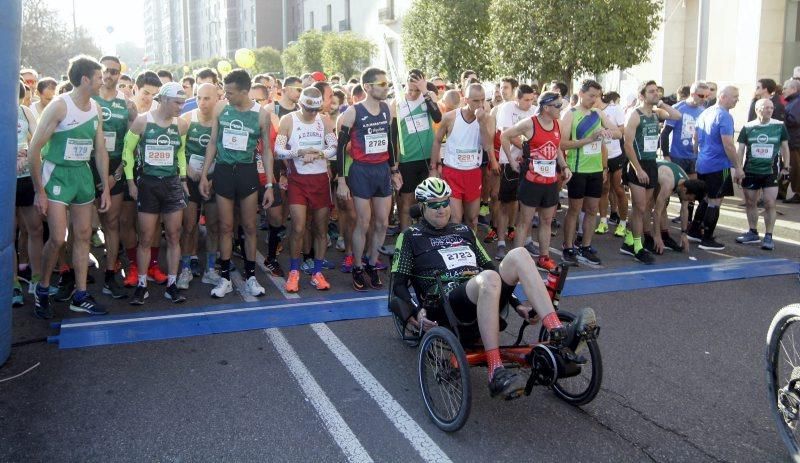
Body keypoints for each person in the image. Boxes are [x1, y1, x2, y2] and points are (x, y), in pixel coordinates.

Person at [390, 177, 597, 399]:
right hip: (445, 302)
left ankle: (557, 331)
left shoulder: (463, 231)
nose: (441, 209)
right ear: (422, 207)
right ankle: (495, 371)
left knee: (518, 255)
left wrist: (517, 304)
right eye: (434, 205)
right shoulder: (410, 236)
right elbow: (399, 285)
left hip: (483, 291)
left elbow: (492, 267)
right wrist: (416, 312)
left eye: (445, 203)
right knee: (487, 277)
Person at [29, 55, 111, 318]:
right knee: (57, 238)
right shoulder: (59, 107)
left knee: (84, 234)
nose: (103, 80)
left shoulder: (96, 108)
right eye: (99, 76)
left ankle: (80, 294)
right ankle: (42, 289)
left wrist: (105, 188)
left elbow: (100, 151)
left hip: (82, 176)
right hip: (57, 175)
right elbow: (34, 150)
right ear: (85, 79)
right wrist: (39, 190)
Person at [199, 68, 275, 298]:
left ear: (244, 91)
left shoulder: (261, 114)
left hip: (247, 172)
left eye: (230, 92)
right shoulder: (222, 108)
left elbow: (267, 151)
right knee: (225, 227)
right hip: (223, 172)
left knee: (250, 226)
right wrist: (204, 174)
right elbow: (213, 142)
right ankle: (224, 279)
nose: (226, 96)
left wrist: (270, 184)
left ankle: (251, 277)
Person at [335, 67, 401, 291]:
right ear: (368, 87)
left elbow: (391, 142)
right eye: (382, 84)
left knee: (382, 222)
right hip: (361, 171)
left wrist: (394, 170)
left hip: (382, 170)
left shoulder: (387, 109)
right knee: (363, 222)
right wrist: (342, 180)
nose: (386, 88)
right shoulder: (353, 112)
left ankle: (372, 265)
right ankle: (357, 266)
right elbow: (340, 148)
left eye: (387, 84)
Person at [123, 82, 189, 304]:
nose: (181, 107)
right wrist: (131, 182)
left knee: (173, 235)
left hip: (171, 184)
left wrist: (182, 179)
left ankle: (172, 284)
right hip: (148, 184)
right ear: (164, 100)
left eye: (183, 103)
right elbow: (127, 151)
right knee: (146, 238)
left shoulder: (181, 125)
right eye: (177, 103)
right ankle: (142, 285)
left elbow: (180, 153)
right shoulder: (143, 121)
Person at [274, 87, 337, 292]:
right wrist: (298, 152)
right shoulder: (288, 120)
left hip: (320, 181)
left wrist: (319, 154)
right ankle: (294, 272)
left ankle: (317, 272)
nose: (312, 114)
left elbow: (333, 147)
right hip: (298, 181)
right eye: (308, 110)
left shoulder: (325, 120)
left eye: (315, 110)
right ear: (300, 104)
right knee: (299, 227)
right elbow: (278, 151)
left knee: (320, 228)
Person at [503, 91, 570, 271]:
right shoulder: (529, 123)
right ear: (546, 107)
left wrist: (564, 167)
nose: (560, 109)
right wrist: (511, 161)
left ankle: (544, 257)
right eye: (558, 106)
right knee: (525, 221)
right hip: (531, 180)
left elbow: (556, 149)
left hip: (550, 181)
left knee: (547, 220)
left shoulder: (557, 124)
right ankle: (516, 261)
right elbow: (505, 135)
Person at [559, 79, 622, 266]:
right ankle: (568, 246)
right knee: (575, 209)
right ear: (581, 93)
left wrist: (606, 132)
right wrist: (589, 139)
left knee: (593, 209)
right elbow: (562, 144)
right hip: (577, 169)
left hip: (595, 170)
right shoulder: (570, 114)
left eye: (597, 96)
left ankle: (585, 246)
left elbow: (618, 132)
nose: (594, 100)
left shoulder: (598, 113)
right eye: (591, 96)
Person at [621, 80, 681, 264]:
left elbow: (677, 115)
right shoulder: (635, 115)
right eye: (651, 92)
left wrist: (661, 103)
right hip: (637, 166)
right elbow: (628, 144)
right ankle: (637, 247)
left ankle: (629, 240)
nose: (656, 94)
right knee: (639, 207)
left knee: (644, 208)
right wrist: (638, 169)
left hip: (651, 164)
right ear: (642, 95)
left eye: (657, 91)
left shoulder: (655, 114)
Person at [92, 55, 138, 299]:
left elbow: (132, 145)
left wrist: (116, 174)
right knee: (77, 228)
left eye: (114, 71)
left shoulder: (127, 105)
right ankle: (70, 277)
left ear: (119, 74)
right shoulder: (88, 99)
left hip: (115, 170)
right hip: (85, 167)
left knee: (112, 223)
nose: (109, 75)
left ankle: (111, 275)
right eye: (105, 70)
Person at [430, 83, 496, 230]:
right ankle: (454, 248)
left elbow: (487, 146)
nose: (480, 104)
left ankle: (471, 247)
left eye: (482, 100)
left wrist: (482, 122)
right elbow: (436, 141)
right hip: (452, 173)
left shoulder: (488, 119)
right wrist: (433, 167)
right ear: (466, 100)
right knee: (455, 218)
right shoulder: (450, 117)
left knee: (472, 219)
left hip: (473, 173)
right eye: (475, 101)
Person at [689, 86, 745, 250]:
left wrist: (699, 155)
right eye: (734, 96)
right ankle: (707, 239)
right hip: (718, 165)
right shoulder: (724, 116)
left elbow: (695, 139)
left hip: (703, 163)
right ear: (722, 97)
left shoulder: (705, 112)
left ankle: (694, 231)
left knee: (706, 198)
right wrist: (738, 167)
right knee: (715, 201)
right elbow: (728, 145)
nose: (737, 100)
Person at [735, 98, 790, 251]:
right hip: (751, 171)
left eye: (771, 108)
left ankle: (769, 236)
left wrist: (786, 167)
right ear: (757, 109)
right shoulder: (748, 126)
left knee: (770, 203)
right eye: (765, 107)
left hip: (770, 171)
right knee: (751, 202)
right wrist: (739, 169)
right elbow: (740, 150)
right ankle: (752, 232)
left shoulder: (779, 126)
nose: (769, 110)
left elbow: (785, 147)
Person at [180, 83, 220, 288]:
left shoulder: (220, 121)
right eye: (198, 97)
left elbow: (224, 152)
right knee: (189, 226)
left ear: (216, 98)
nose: (202, 102)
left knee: (213, 226)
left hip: (213, 179)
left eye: (206, 98)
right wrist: (188, 170)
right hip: (191, 180)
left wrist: (213, 177)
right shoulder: (187, 120)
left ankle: (211, 269)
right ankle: (185, 268)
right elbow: (178, 150)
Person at [490, 84, 537, 259]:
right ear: (517, 98)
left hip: (530, 163)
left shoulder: (535, 110)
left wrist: (530, 154)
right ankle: (501, 244)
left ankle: (528, 240)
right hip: (509, 162)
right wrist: (529, 150)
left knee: (529, 205)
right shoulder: (507, 108)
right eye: (526, 100)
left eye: (532, 99)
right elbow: (508, 135)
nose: (530, 103)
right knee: (505, 203)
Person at [393, 69, 441, 232]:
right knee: (407, 201)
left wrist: (425, 91)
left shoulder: (428, 97)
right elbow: (393, 136)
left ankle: (424, 234)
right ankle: (406, 236)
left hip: (427, 157)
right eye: (410, 89)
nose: (413, 93)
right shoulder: (397, 103)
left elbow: (437, 117)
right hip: (407, 160)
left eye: (416, 89)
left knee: (426, 198)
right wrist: (395, 165)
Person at [660, 81, 709, 225]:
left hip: (693, 157)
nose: (704, 98)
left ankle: (687, 220)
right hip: (676, 156)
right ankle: (662, 218)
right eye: (701, 95)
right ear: (693, 93)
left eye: (707, 96)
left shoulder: (703, 110)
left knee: (692, 190)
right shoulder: (677, 108)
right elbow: (664, 133)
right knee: (669, 190)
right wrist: (666, 155)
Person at [14, 82, 43, 306]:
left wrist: (29, 152)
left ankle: (35, 278)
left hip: (25, 179)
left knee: (35, 228)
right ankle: (12, 283)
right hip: (4, 182)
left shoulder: (25, 111)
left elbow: (40, 139)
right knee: (8, 236)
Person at [651, 160, 707, 255]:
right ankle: (648, 238)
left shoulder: (687, 183)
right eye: (690, 198)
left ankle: (665, 236)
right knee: (648, 205)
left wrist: (684, 233)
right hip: (651, 171)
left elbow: (684, 210)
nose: (689, 201)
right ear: (684, 190)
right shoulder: (668, 185)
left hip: (663, 172)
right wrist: (657, 236)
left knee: (663, 205)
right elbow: (656, 212)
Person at [594, 91, 627, 237]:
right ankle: (603, 221)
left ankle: (623, 223)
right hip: (599, 155)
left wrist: (606, 131)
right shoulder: (590, 112)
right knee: (603, 189)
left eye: (593, 96)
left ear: (599, 96)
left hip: (616, 154)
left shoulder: (615, 109)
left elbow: (622, 129)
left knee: (618, 189)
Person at [782, 79, 800, 203]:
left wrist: (782, 117)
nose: (783, 90)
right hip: (793, 140)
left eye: (785, 88)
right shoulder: (793, 101)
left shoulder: (797, 102)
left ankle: (798, 193)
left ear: (793, 89)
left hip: (795, 141)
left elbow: (795, 120)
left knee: (796, 168)